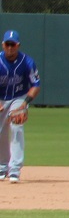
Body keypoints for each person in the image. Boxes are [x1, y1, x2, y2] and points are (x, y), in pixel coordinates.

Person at [0, 29, 41, 183]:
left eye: (13, 45)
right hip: (1, 99)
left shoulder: (27, 62)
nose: (10, 47)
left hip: (19, 97)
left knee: (16, 126)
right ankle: (2, 166)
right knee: (1, 132)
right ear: (3, 45)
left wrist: (25, 103)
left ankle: (15, 169)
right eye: (7, 44)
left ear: (18, 45)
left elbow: (36, 85)